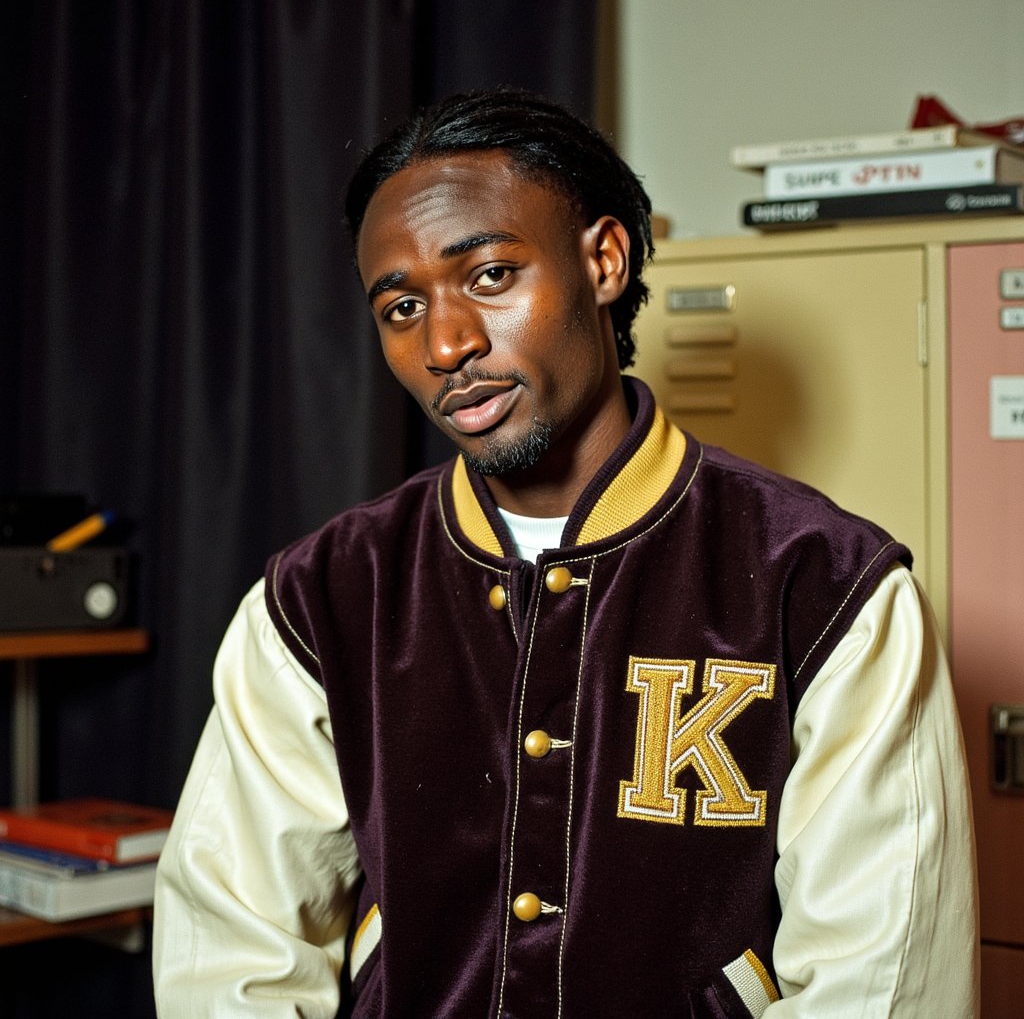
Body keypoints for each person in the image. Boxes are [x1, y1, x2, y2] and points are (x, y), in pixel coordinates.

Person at [152, 88, 979, 1018]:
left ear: (604, 260)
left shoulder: (828, 588)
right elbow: (232, 959)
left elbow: (883, 986)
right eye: (400, 306)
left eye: (492, 276)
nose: (447, 342)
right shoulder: (320, 600)